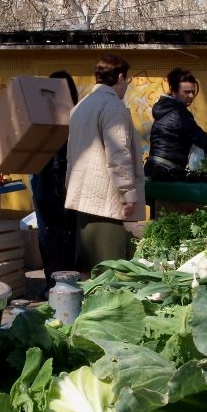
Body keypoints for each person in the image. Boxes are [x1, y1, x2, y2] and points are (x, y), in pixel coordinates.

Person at [65, 53, 145, 271]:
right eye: (127, 81)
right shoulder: (112, 106)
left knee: (88, 268)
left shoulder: (82, 105)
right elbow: (118, 154)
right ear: (120, 77)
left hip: (83, 197)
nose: (127, 87)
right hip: (107, 201)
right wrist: (128, 195)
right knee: (110, 270)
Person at [30, 71, 79, 288]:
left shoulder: (64, 117)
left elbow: (61, 158)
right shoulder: (65, 116)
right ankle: (56, 284)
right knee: (53, 237)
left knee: (54, 237)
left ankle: (57, 285)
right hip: (50, 185)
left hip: (53, 186)